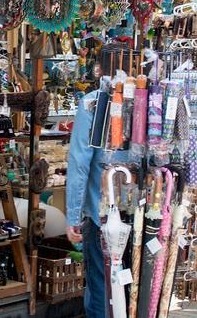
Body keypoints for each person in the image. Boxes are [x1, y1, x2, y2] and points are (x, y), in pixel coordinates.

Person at [65, 79, 138, 318]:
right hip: (139, 214)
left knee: (101, 289)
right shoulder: (145, 98)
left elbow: (79, 165)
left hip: (102, 215)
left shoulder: (92, 103)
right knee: (131, 290)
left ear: (99, 71)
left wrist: (73, 215)